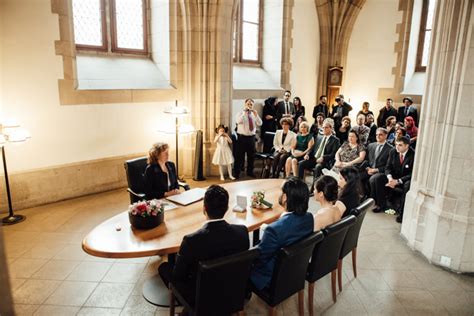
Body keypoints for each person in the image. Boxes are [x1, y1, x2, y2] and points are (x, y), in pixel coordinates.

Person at [158, 185, 249, 288]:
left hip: (198, 295)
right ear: (227, 208)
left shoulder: (191, 241)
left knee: (163, 267)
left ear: (204, 208)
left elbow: (178, 277)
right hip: (232, 287)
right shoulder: (242, 232)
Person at [250, 177, 314, 291]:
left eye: (281, 192)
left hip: (272, 277)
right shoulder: (309, 218)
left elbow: (260, 257)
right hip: (296, 269)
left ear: (285, 198)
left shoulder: (274, 230)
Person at [370, 136, 415, 223]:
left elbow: (412, 174)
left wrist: (397, 181)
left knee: (407, 185)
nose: (397, 147)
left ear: (407, 146)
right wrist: (390, 178)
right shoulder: (393, 151)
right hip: (393, 177)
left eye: (400, 145)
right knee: (377, 178)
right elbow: (388, 167)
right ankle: (381, 205)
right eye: (396, 144)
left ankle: (401, 214)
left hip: (405, 180)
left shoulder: (413, 155)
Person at [234, 98, 262, 178]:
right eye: (248, 104)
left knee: (251, 156)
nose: (249, 105)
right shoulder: (240, 113)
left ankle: (250, 172)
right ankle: (237, 173)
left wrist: (256, 115)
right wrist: (244, 113)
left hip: (251, 138)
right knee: (239, 156)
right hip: (241, 138)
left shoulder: (254, 114)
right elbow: (238, 121)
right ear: (245, 104)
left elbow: (260, 123)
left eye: (251, 104)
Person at [362, 128, 392, 195]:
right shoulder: (370, 146)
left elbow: (389, 166)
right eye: (376, 135)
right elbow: (366, 159)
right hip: (369, 169)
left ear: (386, 136)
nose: (378, 136)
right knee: (357, 176)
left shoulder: (391, 149)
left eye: (380, 135)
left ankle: (373, 200)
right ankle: (363, 196)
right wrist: (368, 168)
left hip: (381, 172)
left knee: (373, 179)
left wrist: (376, 170)